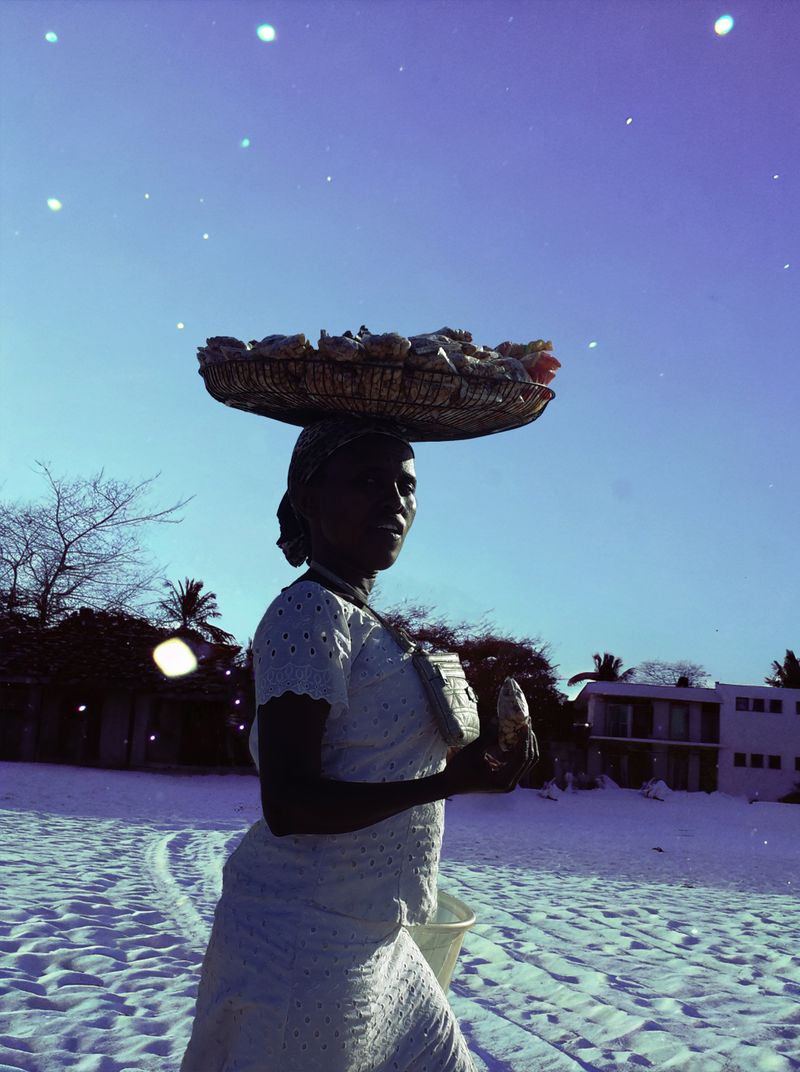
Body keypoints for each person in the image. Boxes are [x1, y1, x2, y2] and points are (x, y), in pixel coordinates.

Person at [180, 415, 535, 1072]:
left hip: (376, 935)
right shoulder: (308, 613)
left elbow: (383, 766)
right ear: (309, 497)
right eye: (367, 481)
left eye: (405, 486)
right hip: (302, 942)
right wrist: (448, 785)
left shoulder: (370, 625)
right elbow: (289, 803)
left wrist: (478, 766)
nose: (392, 501)